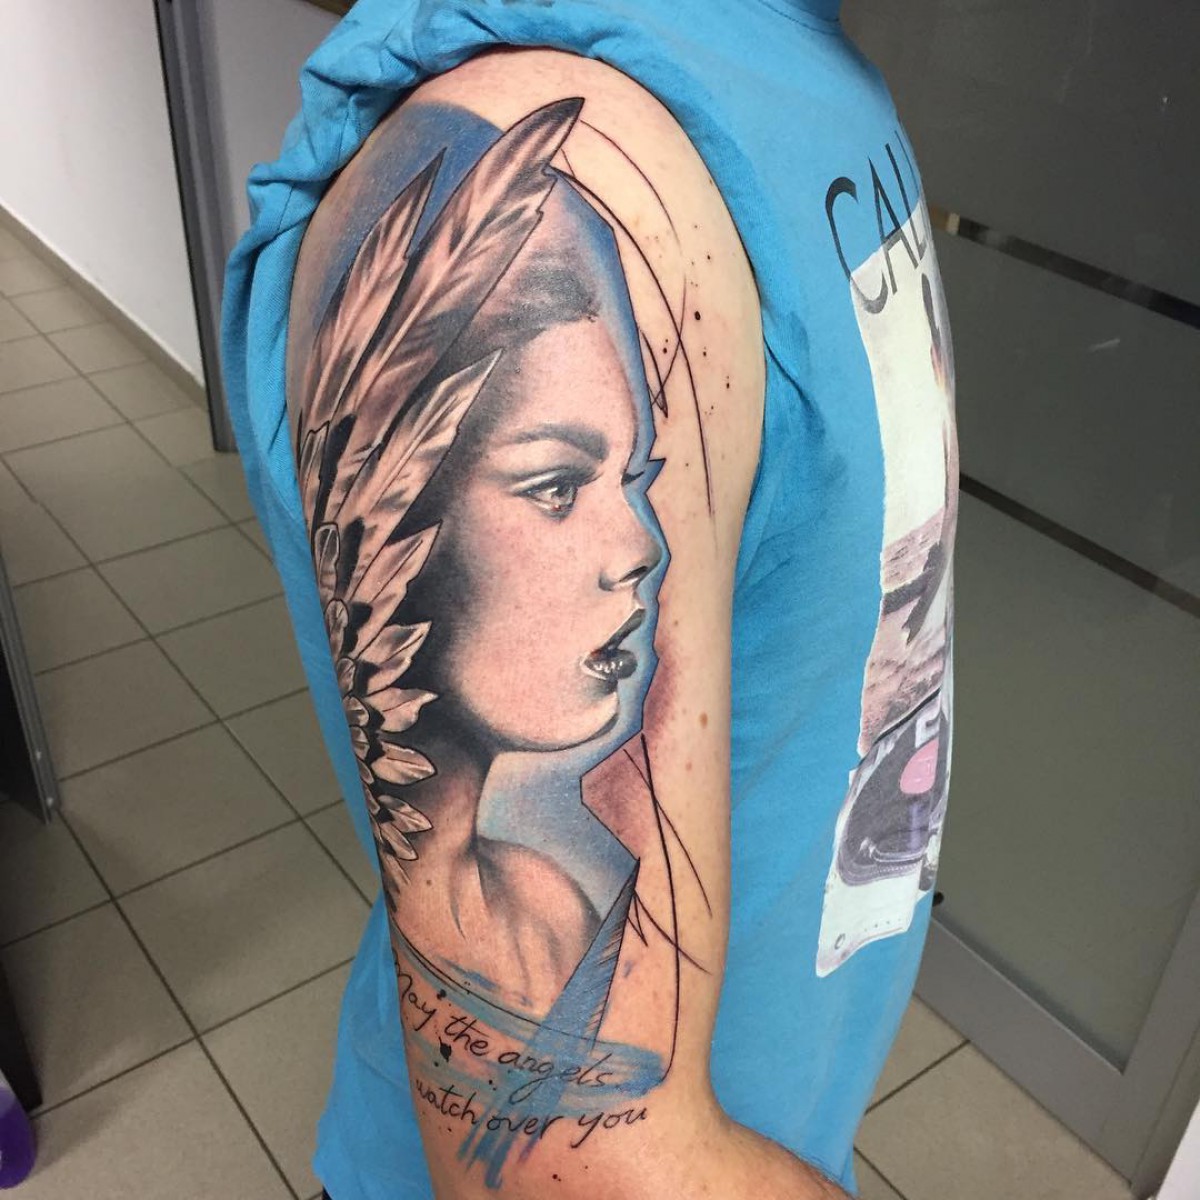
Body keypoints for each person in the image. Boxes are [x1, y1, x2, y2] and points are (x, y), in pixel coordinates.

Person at [222, 2, 958, 1197]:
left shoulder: (804, 61)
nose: (640, 547)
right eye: (557, 484)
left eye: (635, 479)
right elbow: (600, 1173)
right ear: (397, 510)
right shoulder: (571, 131)